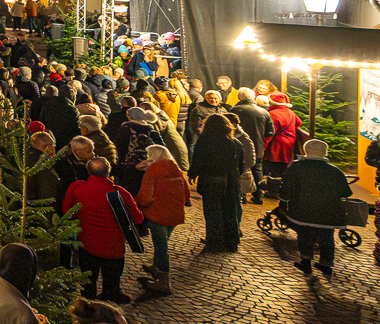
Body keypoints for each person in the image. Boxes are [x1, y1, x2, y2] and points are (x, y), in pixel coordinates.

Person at [63, 157, 142, 304]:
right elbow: (138, 219)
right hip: (114, 247)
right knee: (112, 282)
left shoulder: (77, 188)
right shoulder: (119, 192)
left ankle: (88, 306)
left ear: (88, 170)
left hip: (87, 244)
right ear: (108, 172)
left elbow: (67, 212)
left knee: (88, 280)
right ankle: (109, 303)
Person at [281, 139, 352, 278]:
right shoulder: (334, 170)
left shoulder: (296, 167)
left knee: (304, 235)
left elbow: (285, 188)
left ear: (305, 151)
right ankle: (326, 263)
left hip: (303, 212)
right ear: (325, 152)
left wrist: (285, 203)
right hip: (328, 213)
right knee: (327, 236)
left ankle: (306, 261)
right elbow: (346, 192)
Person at [134, 144, 186, 294]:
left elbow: (145, 196)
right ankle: (157, 268)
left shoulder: (153, 171)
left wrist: (138, 204)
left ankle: (163, 280)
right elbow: (186, 191)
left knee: (161, 246)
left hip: (157, 213)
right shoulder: (175, 168)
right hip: (174, 213)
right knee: (163, 242)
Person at [188, 112, 244, 252]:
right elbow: (241, 165)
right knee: (230, 210)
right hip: (230, 180)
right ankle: (231, 241)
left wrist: (193, 173)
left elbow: (198, 159)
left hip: (211, 179)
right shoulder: (235, 143)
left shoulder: (204, 141)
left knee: (212, 211)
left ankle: (214, 240)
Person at [264, 91, 302, 192]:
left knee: (275, 168)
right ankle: (283, 190)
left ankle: (274, 191)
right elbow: (299, 123)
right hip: (290, 144)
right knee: (284, 169)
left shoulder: (272, 114)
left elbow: (271, 132)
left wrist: (263, 146)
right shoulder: (290, 112)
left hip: (277, 145)